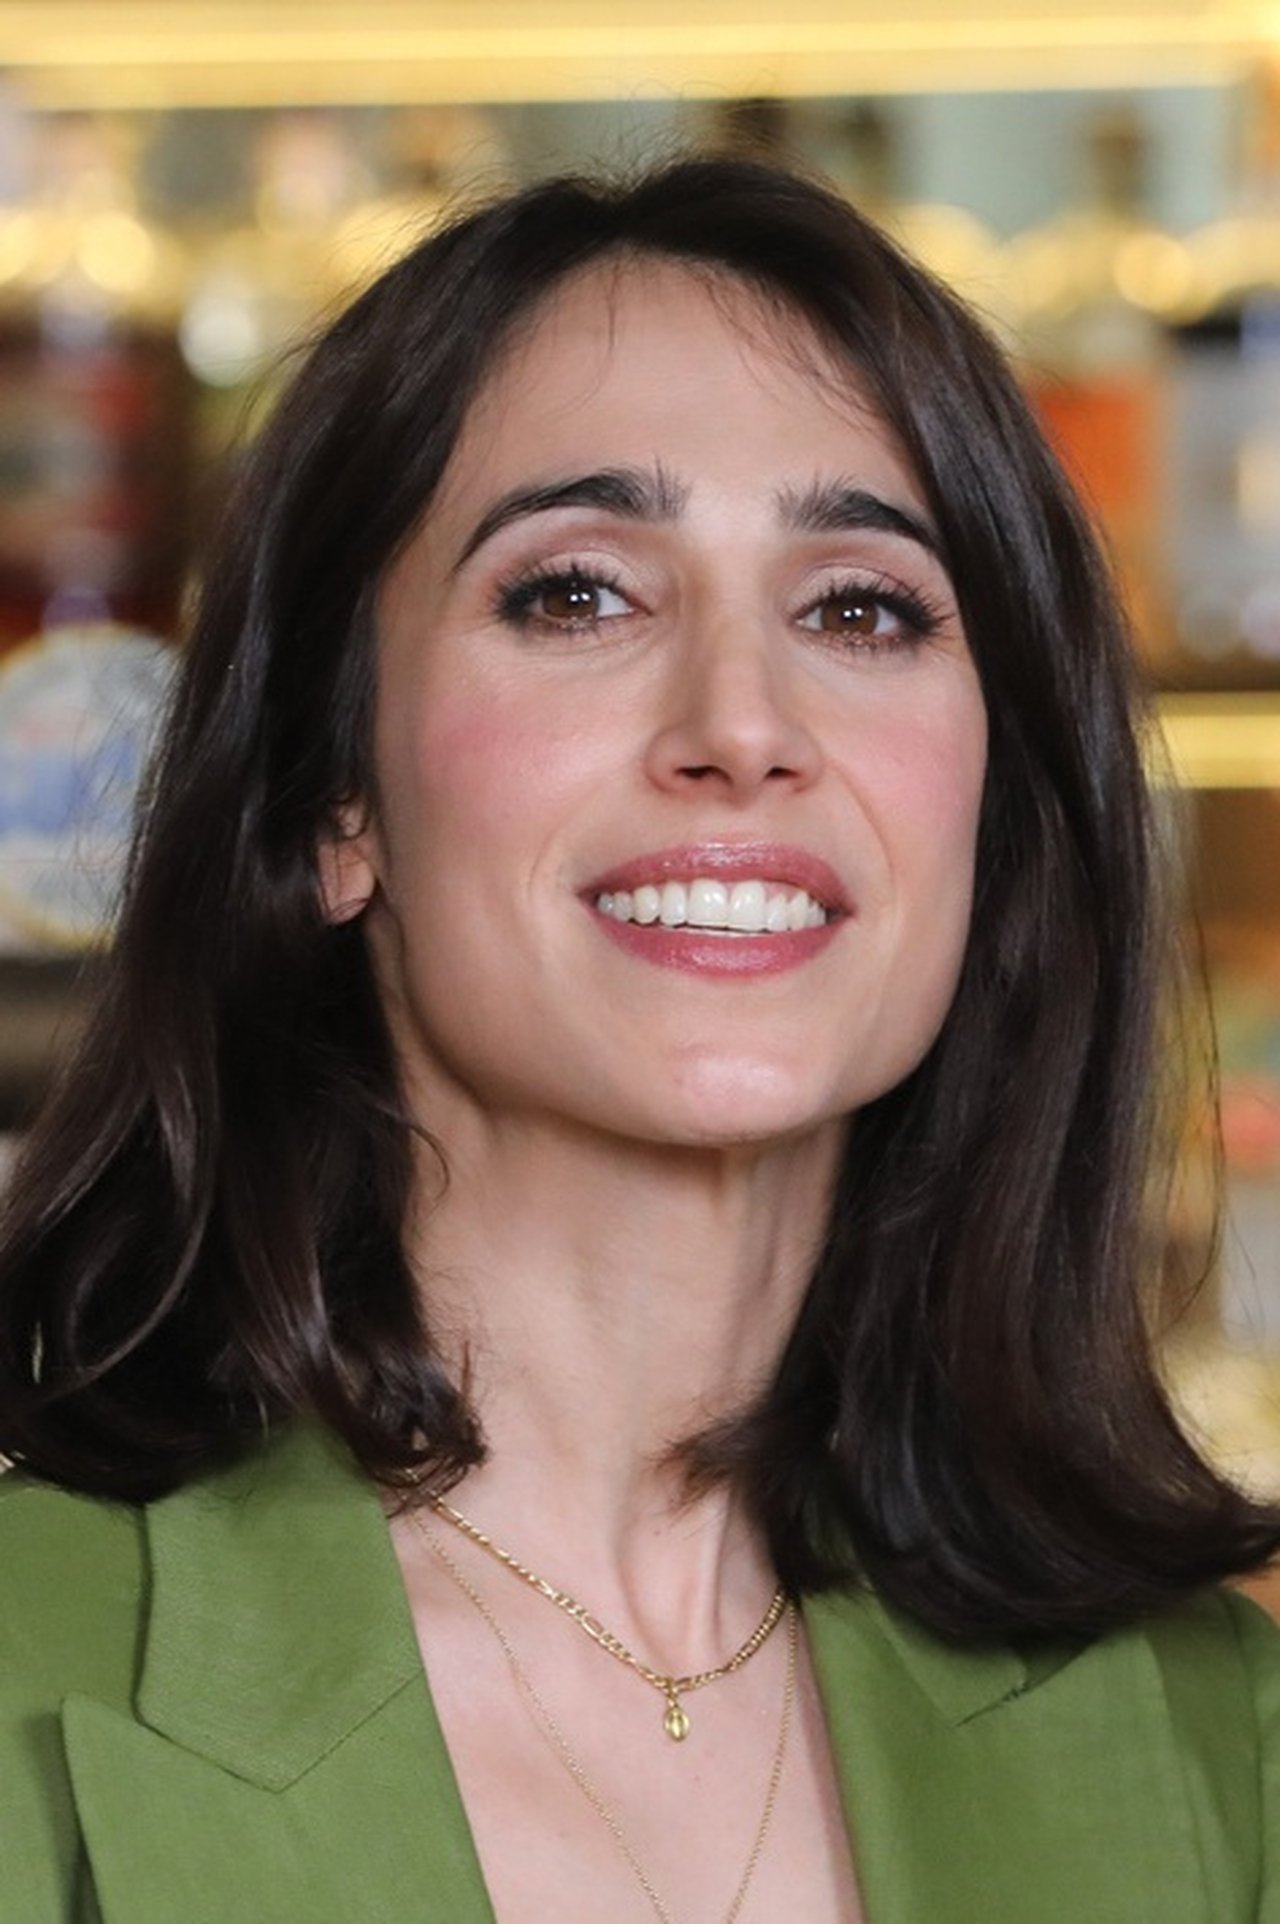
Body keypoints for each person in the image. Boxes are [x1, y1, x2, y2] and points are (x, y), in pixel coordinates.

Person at [1, 155, 1277, 1924]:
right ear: (331, 799)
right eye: (580, 593)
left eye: (861, 608)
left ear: (995, 815)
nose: (743, 724)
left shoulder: (1224, 1748)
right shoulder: (31, 1666)